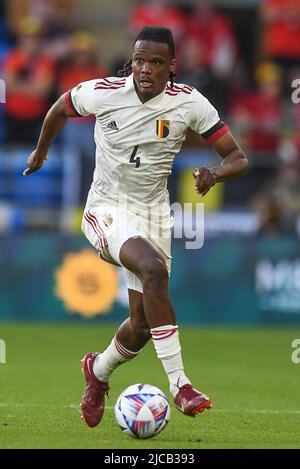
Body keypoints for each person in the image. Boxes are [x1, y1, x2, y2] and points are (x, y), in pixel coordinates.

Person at [23, 26, 248, 428]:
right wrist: (41, 152)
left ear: (171, 67)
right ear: (132, 61)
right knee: (152, 268)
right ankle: (181, 385)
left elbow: (237, 157)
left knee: (143, 325)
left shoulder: (190, 103)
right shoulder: (104, 92)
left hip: (154, 215)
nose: (146, 69)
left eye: (156, 62)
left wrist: (215, 173)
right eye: (140, 60)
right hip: (106, 208)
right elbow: (60, 106)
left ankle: (98, 371)